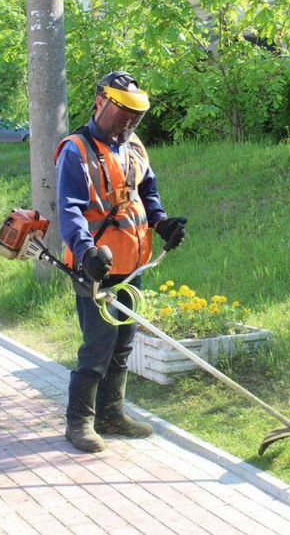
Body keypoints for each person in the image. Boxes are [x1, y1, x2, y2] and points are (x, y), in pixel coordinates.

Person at [55, 71, 187, 453]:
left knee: (124, 341)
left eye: (136, 114)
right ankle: (79, 423)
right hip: (95, 266)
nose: (129, 120)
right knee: (99, 344)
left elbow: (148, 190)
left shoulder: (134, 147)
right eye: (123, 111)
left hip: (132, 263)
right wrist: (86, 252)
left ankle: (111, 414)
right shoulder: (76, 151)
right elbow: (70, 210)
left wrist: (162, 223)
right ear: (101, 102)